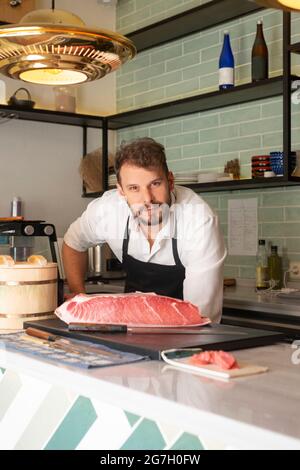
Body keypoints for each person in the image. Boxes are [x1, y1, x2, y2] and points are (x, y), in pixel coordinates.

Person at [62, 137, 226, 322]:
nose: (147, 199)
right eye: (134, 188)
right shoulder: (109, 210)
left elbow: (200, 317)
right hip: (130, 327)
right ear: (121, 191)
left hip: (183, 330)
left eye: (155, 184)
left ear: (170, 181)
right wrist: (79, 297)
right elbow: (73, 243)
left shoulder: (198, 221)